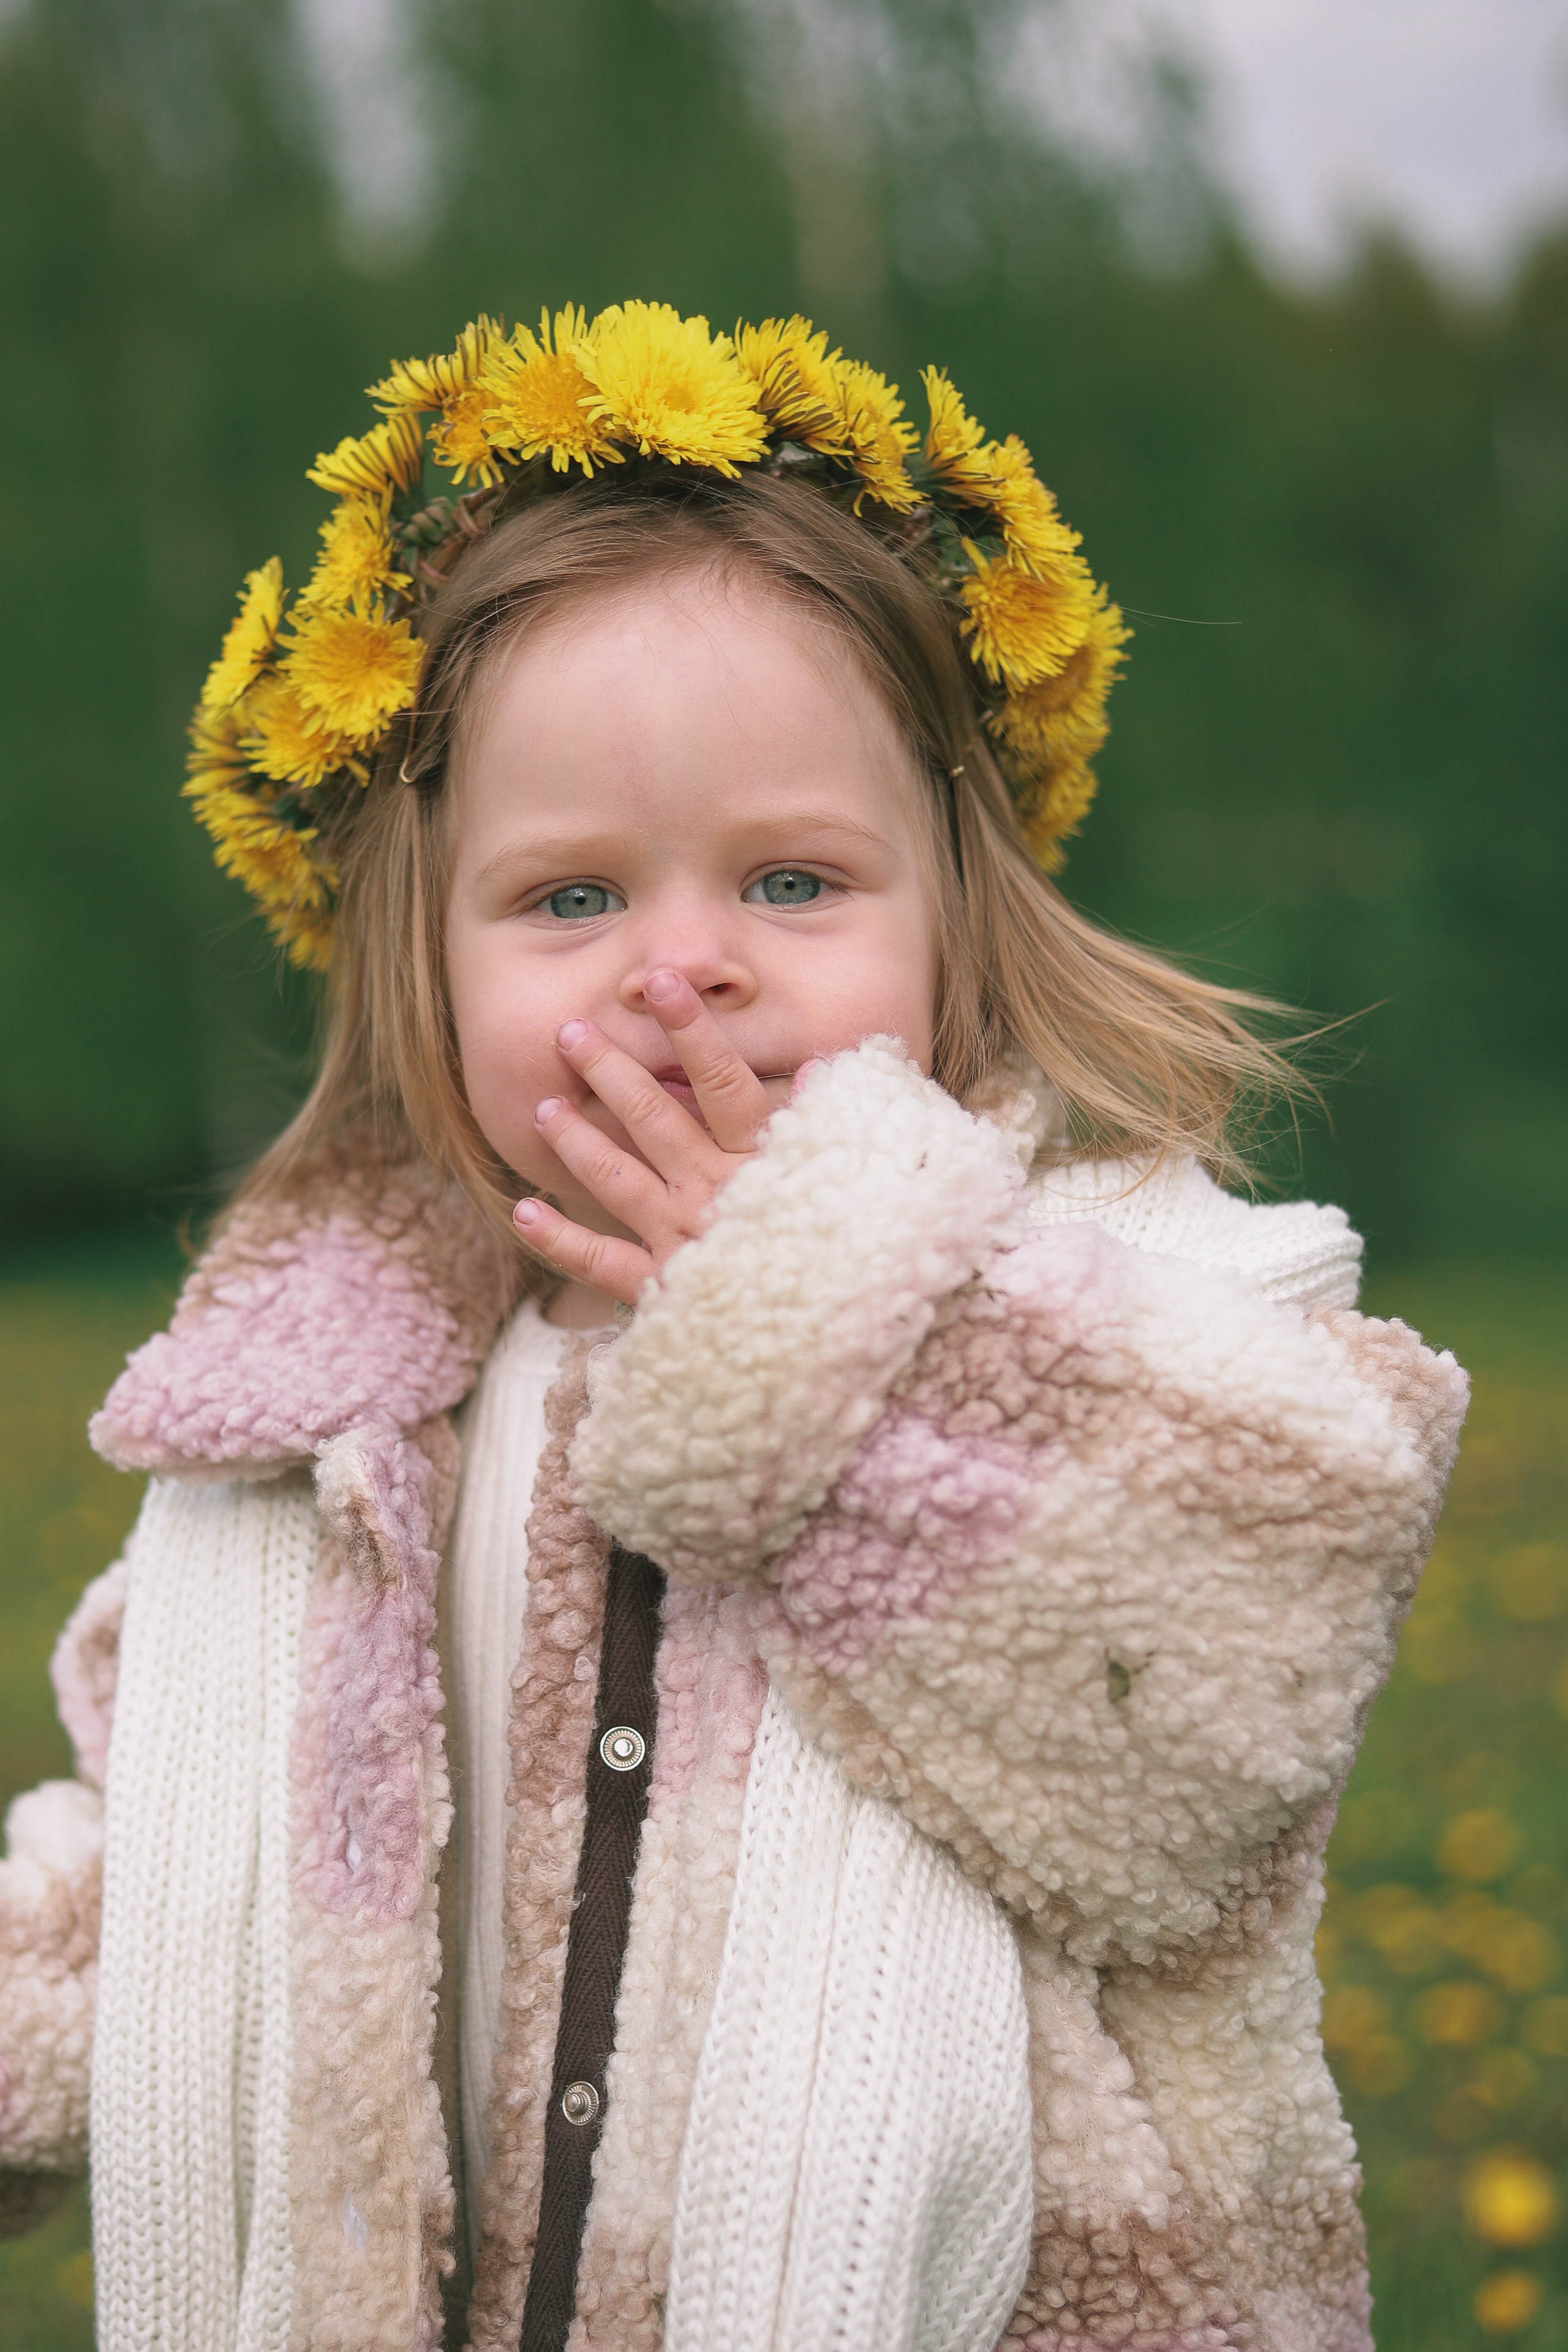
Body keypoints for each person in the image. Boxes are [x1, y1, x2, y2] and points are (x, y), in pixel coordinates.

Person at [0, 303, 1466, 2352]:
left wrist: (807, 1315)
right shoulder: (343, 1416)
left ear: (956, 912)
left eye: (791, 882)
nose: (684, 966)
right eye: (570, 898)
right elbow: (185, 1865)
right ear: (423, 963)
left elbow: (1228, 1712)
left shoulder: (1128, 1306)